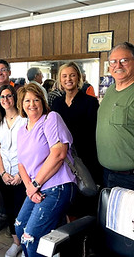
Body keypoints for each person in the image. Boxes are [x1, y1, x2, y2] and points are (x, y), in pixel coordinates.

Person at [15, 83, 77, 257]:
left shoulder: (51, 119)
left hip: (58, 186)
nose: (32, 104)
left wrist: (35, 184)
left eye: (36, 99)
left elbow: (58, 154)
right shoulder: (21, 130)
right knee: (20, 229)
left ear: (43, 101)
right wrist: (30, 188)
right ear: (21, 104)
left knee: (32, 238)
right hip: (36, 188)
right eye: (27, 100)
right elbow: (21, 164)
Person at [51, 62, 100, 217]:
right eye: (64, 76)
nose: (68, 79)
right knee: (68, 200)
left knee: (86, 198)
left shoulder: (90, 102)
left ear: (78, 77)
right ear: (59, 79)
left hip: (85, 157)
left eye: (72, 75)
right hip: (64, 159)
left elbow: (94, 132)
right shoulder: (57, 103)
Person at [0, 85, 26, 257]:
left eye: (9, 96)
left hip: (24, 173)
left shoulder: (25, 118)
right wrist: (3, 173)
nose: (5, 100)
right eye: (2, 97)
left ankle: (28, 243)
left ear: (15, 97)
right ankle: (16, 242)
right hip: (4, 173)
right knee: (10, 208)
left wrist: (21, 175)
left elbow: (31, 149)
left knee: (24, 208)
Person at [96, 42, 134, 190]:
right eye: (113, 61)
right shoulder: (111, 90)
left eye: (124, 60)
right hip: (107, 173)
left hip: (129, 177)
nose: (118, 65)